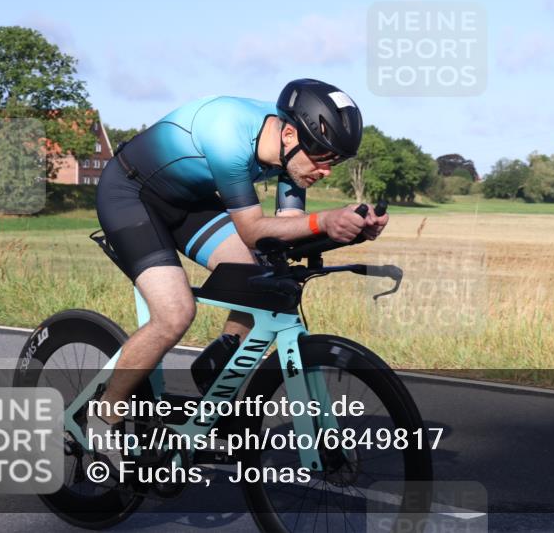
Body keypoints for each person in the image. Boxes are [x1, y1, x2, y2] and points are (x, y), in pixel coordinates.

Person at [88, 78, 386, 463]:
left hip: (188, 202)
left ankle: (217, 370)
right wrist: (324, 220)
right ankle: (103, 415)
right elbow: (251, 229)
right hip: (129, 195)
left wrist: (350, 232)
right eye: (322, 158)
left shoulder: (291, 153)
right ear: (291, 134)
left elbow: (286, 233)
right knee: (175, 314)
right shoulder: (228, 133)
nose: (326, 171)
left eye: (335, 162)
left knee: (259, 280)